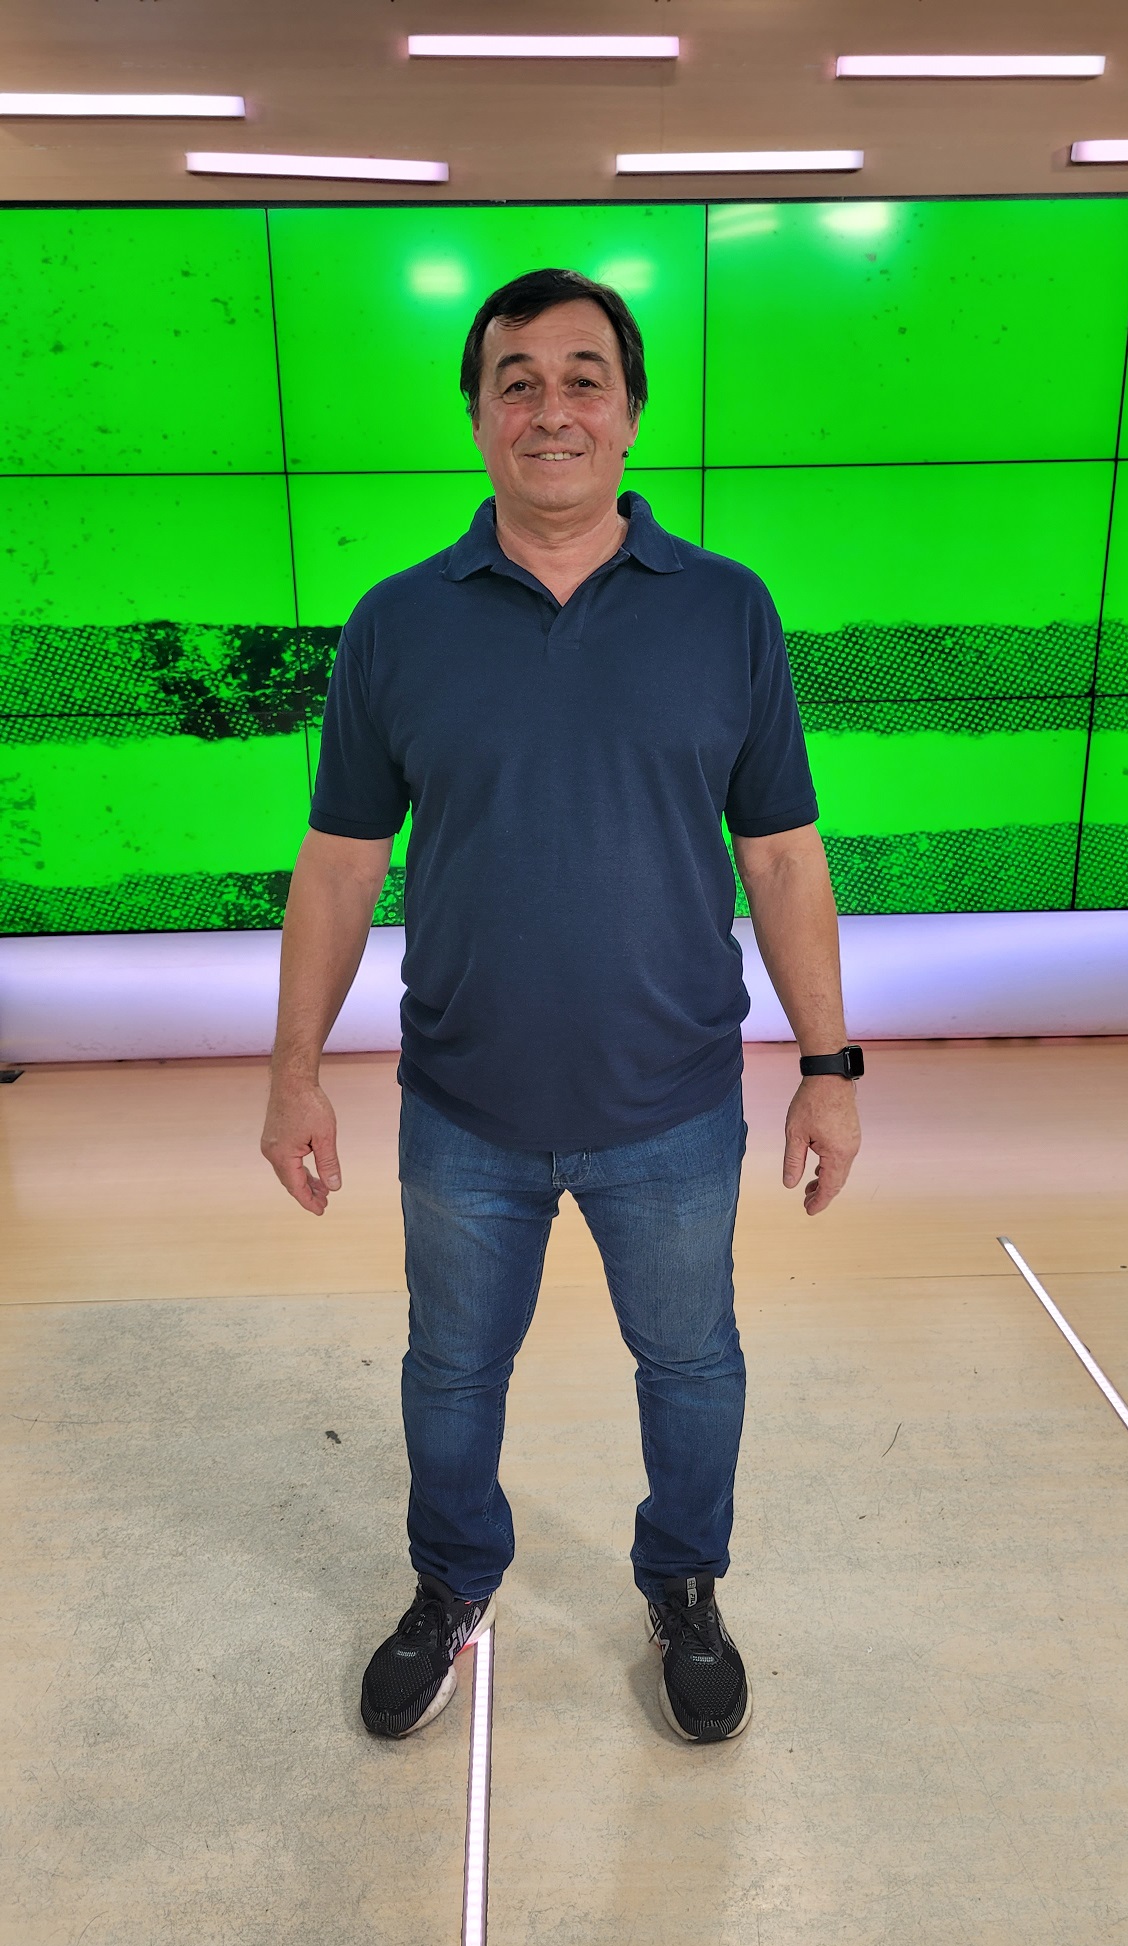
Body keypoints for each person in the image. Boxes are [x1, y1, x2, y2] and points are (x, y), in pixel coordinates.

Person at [261, 268, 862, 1747]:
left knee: (692, 1367)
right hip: (463, 1108)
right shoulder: (397, 624)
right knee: (452, 1372)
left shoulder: (725, 611)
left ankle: (685, 1587)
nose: (551, 408)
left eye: (583, 377)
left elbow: (782, 854)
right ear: (477, 416)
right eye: (515, 380)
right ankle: (452, 1582)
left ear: (631, 411)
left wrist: (830, 1066)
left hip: (672, 1104)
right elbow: (339, 866)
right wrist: (292, 1074)